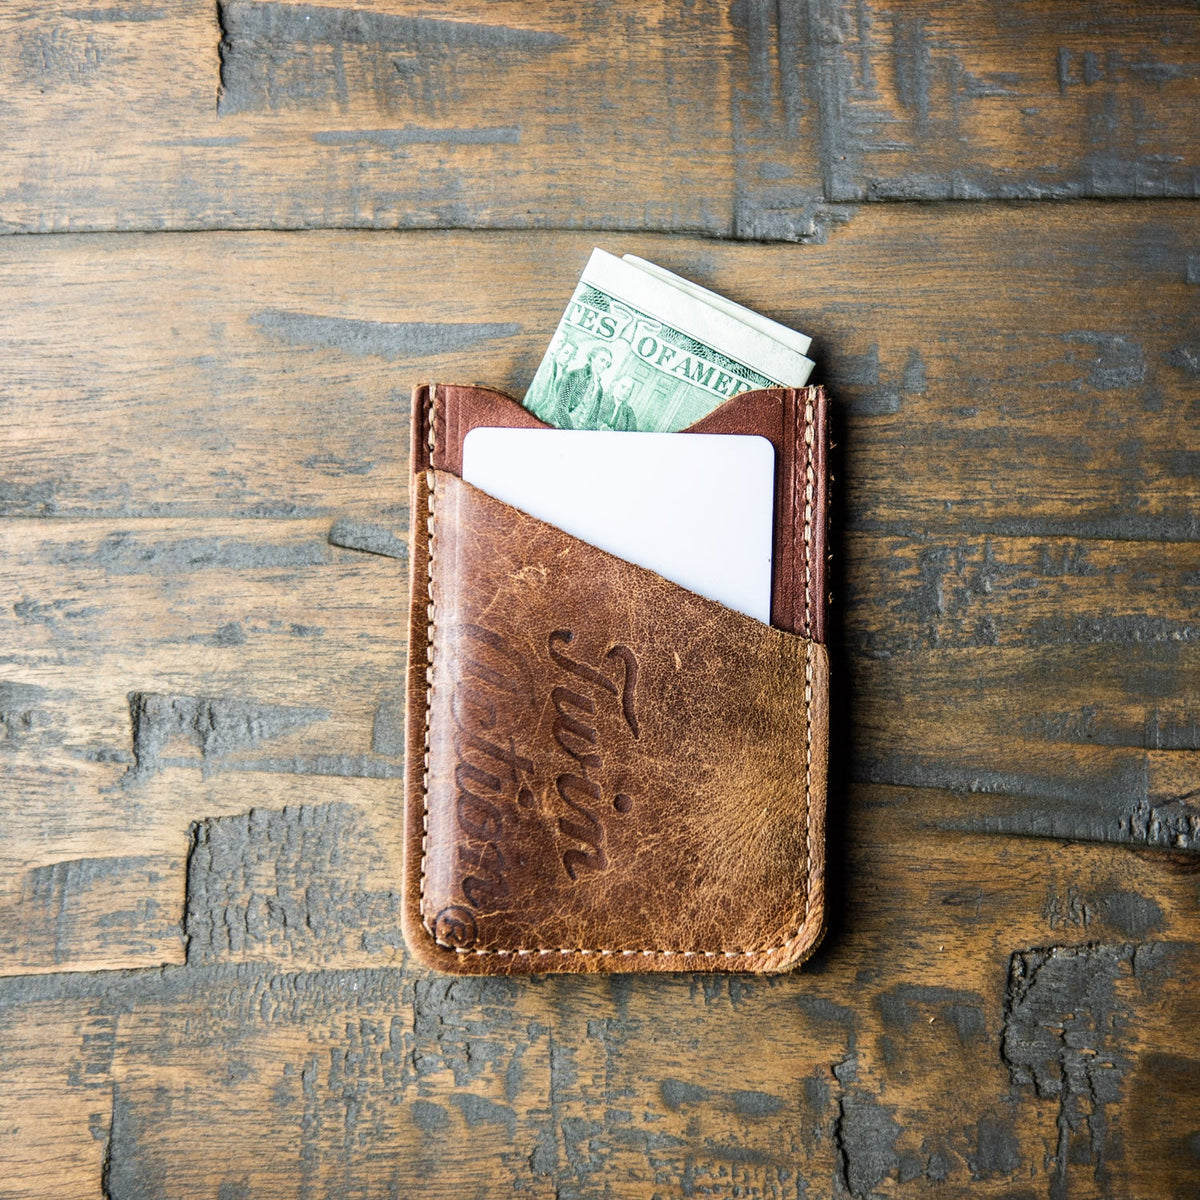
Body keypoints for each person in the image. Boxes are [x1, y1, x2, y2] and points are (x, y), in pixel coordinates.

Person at [556, 346, 612, 428]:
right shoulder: (575, 375)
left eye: (607, 364)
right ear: (592, 358)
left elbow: (593, 419)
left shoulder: (600, 389)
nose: (604, 365)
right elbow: (560, 407)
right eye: (602, 360)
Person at [527, 338, 577, 423]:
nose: (568, 357)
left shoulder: (567, 376)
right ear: (559, 351)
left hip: (548, 419)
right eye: (566, 352)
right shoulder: (546, 367)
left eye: (571, 355)